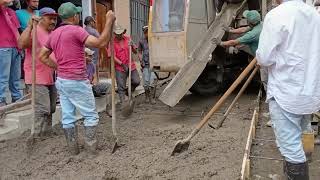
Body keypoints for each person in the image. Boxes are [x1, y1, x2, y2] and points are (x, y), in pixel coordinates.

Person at [39, 2, 115, 155]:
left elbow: (42, 56)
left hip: (62, 81)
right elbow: (100, 43)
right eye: (77, 14)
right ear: (74, 16)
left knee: (68, 116)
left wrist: (59, 67)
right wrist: (109, 21)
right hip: (77, 80)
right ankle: (91, 149)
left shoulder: (54, 34)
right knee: (91, 116)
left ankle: (73, 150)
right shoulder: (76, 30)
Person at [256, 0, 320, 179]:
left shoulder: (276, 15)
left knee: (290, 147)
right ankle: (306, 159)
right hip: (309, 90)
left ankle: (298, 169)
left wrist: (261, 58)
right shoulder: (314, 15)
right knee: (304, 131)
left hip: (287, 91)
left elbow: (264, 57)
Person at [18, 7, 58, 143]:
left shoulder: (51, 33)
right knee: (43, 108)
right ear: (41, 19)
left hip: (50, 76)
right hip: (36, 76)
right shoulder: (35, 30)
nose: (53, 21)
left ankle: (47, 134)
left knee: (51, 107)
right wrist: (29, 27)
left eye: (55, 18)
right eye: (50, 18)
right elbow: (21, 44)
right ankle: (36, 135)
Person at [110, 25, 140, 105]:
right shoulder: (112, 42)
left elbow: (135, 51)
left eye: (120, 33)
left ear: (123, 32)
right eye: (117, 34)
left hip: (131, 65)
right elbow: (112, 56)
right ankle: (123, 104)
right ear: (115, 34)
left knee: (136, 81)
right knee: (121, 86)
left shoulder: (128, 39)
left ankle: (128, 91)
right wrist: (122, 64)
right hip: (120, 67)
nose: (119, 35)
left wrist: (133, 47)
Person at [0, 0, 22, 107]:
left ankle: (16, 98)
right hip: (3, 47)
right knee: (3, 76)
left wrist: (20, 46)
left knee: (15, 77)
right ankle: (1, 99)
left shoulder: (11, 11)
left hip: (15, 47)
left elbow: (16, 30)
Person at [138, 26, 156, 104]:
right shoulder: (141, 41)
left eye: (148, 32)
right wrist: (141, 60)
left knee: (152, 81)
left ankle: (152, 97)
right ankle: (147, 96)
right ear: (144, 33)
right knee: (146, 83)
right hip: (145, 64)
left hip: (154, 64)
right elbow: (139, 51)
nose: (147, 34)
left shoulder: (154, 40)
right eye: (146, 32)